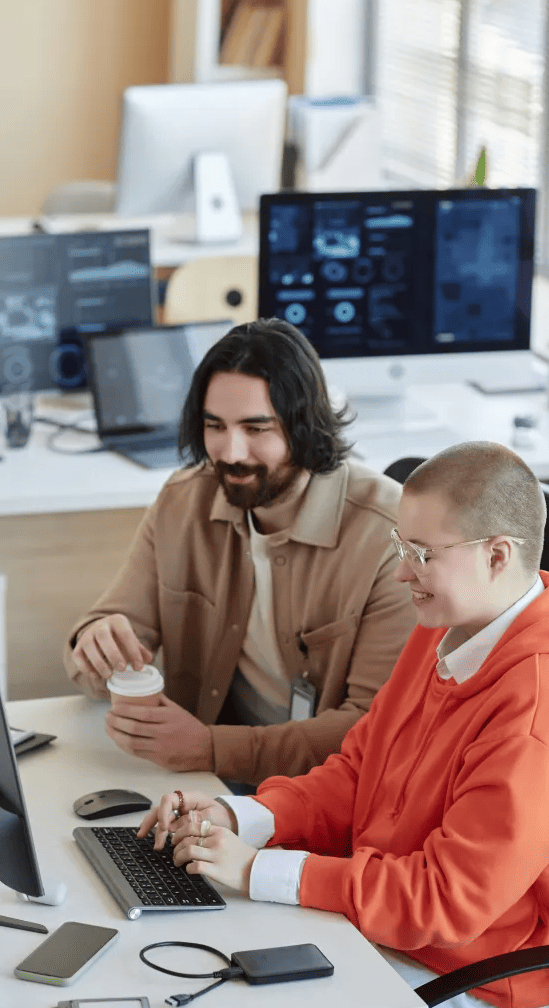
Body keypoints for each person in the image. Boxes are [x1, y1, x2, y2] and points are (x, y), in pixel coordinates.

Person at [139, 441, 549, 1008]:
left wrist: (256, 869)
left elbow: (444, 903)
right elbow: (356, 772)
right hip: (387, 933)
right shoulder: (451, 626)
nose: (402, 573)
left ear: (497, 555)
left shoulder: (542, 702)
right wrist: (243, 818)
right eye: (403, 547)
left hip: (476, 996)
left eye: (421, 554)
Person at [63, 318, 415, 786]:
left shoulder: (388, 537)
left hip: (320, 797)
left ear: (304, 424)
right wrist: (95, 645)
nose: (231, 452)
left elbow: (374, 731)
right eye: (215, 426)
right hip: (205, 779)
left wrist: (210, 749)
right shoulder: (184, 500)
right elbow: (112, 630)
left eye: (256, 428)